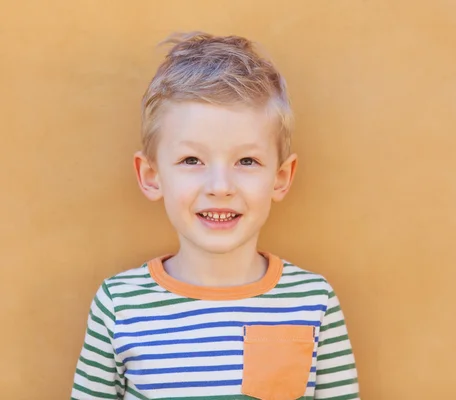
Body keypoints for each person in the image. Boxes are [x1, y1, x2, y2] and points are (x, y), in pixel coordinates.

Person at [71, 31, 359, 400]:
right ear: (151, 176)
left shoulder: (314, 301)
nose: (220, 186)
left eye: (247, 161)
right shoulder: (119, 304)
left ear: (281, 177)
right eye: (192, 160)